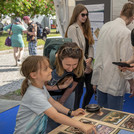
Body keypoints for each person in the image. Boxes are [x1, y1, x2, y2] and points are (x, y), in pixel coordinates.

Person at [13, 55, 96, 134]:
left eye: (49, 67)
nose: (51, 70)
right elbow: (55, 116)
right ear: (33, 75)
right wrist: (81, 125)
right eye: (46, 69)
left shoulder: (40, 87)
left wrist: (71, 112)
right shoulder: (34, 95)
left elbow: (53, 102)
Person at [91, 2, 134, 111]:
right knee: (114, 118)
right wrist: (132, 83)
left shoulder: (105, 26)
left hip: (101, 79)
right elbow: (126, 63)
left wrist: (95, 80)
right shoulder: (126, 33)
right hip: (115, 81)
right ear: (132, 17)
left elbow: (99, 54)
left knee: (101, 115)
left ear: (121, 12)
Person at [46, 42, 84, 132]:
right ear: (59, 59)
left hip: (68, 92)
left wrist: (62, 100)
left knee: (67, 120)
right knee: (50, 120)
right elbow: (42, 87)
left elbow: (74, 84)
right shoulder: (49, 63)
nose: (71, 69)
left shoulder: (81, 64)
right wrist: (61, 86)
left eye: (74, 65)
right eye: (67, 65)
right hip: (50, 94)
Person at [65, 4, 95, 109]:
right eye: (83, 15)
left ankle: (84, 109)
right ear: (77, 14)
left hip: (87, 62)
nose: (85, 17)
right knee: (78, 91)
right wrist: (85, 64)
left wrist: (90, 59)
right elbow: (76, 47)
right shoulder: (72, 28)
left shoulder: (86, 28)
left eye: (87, 15)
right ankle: (76, 113)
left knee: (91, 89)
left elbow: (91, 45)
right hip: (78, 63)